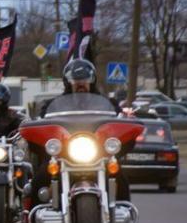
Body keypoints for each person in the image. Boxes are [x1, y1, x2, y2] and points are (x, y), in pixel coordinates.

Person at [29, 59, 130, 209]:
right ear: (67, 82)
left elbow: (119, 126)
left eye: (85, 79)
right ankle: (34, 216)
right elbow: (42, 126)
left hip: (98, 153)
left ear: (92, 80)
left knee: (119, 177)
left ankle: (124, 212)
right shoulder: (53, 104)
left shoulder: (107, 103)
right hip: (63, 153)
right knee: (40, 177)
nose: (80, 83)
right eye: (75, 80)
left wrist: (124, 128)